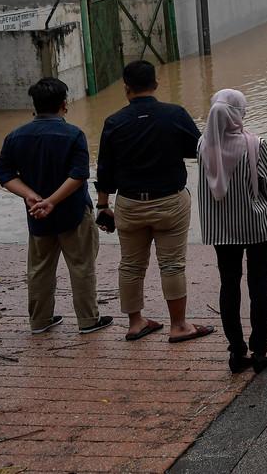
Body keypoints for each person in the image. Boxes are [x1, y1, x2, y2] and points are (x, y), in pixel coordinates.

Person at [96, 61, 213, 344]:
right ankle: (179, 326)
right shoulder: (174, 115)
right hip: (169, 202)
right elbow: (199, 149)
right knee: (172, 265)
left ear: (126, 88)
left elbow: (104, 168)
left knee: (131, 265)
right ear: (156, 84)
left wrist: (102, 206)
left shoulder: (114, 122)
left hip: (130, 204)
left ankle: (136, 323)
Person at [0, 78, 112, 336]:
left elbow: (4, 174)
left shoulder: (16, 136)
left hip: (37, 216)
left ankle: (39, 321)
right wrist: (52, 201)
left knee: (39, 270)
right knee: (81, 267)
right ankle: (88, 320)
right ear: (64, 105)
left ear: (34, 106)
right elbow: (79, 174)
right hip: (73, 213)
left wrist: (32, 196)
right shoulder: (73, 135)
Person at [198, 89, 267, 374]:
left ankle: (236, 351)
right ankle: (260, 351)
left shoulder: (202, 146)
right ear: (238, 113)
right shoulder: (256, 144)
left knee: (228, 286)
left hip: (222, 230)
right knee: (259, 287)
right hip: (257, 227)